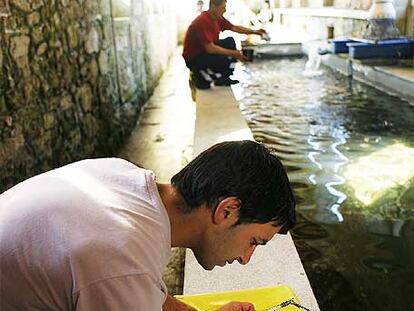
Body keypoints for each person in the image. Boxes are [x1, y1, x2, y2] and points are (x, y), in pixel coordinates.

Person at [0, 140, 296, 311]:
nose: (246, 259)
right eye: (254, 241)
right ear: (227, 211)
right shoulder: (121, 256)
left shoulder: (123, 176)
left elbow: (147, 295)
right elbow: (125, 277)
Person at [183, 0, 267, 89]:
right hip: (194, 58)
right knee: (224, 59)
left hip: (204, 51)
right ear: (213, 7)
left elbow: (234, 27)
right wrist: (234, 53)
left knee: (230, 41)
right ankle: (200, 75)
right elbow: (210, 48)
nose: (225, 10)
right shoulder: (202, 21)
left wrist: (254, 32)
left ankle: (224, 77)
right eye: (223, 8)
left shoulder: (217, 18)